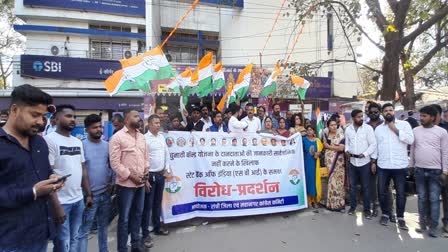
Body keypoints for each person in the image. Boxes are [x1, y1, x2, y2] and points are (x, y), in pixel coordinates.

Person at [0, 84, 65, 252]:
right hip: (10, 241)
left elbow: (45, 173)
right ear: (14, 110)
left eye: (43, 116)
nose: (40, 121)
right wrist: (33, 192)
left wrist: (52, 180)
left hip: (40, 234)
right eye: (35, 115)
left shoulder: (39, 142)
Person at [45, 105, 93, 252]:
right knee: (62, 243)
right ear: (56, 119)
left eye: (73, 116)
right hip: (61, 202)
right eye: (68, 116)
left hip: (78, 200)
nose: (72, 119)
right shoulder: (49, 140)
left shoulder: (77, 141)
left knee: (74, 239)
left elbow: (83, 169)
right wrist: (57, 205)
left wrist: (88, 194)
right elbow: (48, 173)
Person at [109, 110, 149, 252]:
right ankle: (122, 248)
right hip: (126, 185)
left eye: (139, 116)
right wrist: (131, 177)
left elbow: (146, 158)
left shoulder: (142, 137)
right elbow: (115, 163)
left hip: (141, 184)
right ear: (126, 119)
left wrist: (145, 174)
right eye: (136, 116)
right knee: (124, 219)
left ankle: (136, 245)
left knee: (138, 214)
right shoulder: (117, 137)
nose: (139, 118)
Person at [374, 103, 414, 230]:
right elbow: (376, 147)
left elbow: (410, 140)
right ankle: (385, 213)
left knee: (401, 193)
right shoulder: (379, 129)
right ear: (382, 113)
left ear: (394, 111)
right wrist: (373, 162)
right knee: (382, 192)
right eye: (386, 111)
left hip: (400, 165)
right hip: (383, 165)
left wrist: (394, 129)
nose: (388, 112)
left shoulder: (404, 125)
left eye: (390, 110)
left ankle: (401, 217)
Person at [410, 105, 448, 237]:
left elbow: (445, 153)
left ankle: (433, 227)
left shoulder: (441, 132)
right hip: (419, 170)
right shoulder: (415, 130)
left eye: (424, 116)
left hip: (435, 172)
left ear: (432, 117)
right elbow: (413, 150)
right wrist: (411, 166)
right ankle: (422, 224)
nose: (421, 118)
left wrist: (445, 171)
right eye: (420, 116)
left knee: (433, 199)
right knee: (421, 198)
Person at [76, 114, 112, 252]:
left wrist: (111, 183)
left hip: (105, 194)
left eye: (100, 127)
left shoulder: (107, 145)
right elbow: (80, 171)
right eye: (94, 127)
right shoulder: (81, 146)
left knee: (104, 227)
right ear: (86, 129)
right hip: (89, 196)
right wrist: (87, 194)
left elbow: (110, 166)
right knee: (84, 230)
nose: (98, 130)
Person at [142, 115, 171, 249]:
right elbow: (142, 158)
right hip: (150, 176)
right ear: (149, 124)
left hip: (160, 175)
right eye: (155, 123)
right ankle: (145, 234)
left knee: (157, 203)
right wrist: (145, 177)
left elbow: (166, 153)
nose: (158, 125)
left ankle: (157, 227)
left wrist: (167, 169)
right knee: (147, 206)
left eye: (159, 123)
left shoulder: (161, 137)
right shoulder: (144, 139)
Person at [344, 109, 377, 218]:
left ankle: (367, 209)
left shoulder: (368, 129)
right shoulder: (348, 129)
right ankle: (353, 207)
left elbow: (373, 144)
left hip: (365, 162)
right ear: (353, 118)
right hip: (353, 162)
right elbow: (347, 144)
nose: (361, 118)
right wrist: (347, 151)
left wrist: (365, 154)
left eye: (361, 116)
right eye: (358, 117)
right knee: (353, 187)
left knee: (366, 187)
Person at [366, 102, 390, 218]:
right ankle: (375, 206)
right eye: (371, 112)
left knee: (387, 186)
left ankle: (390, 210)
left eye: (376, 112)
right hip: (370, 160)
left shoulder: (385, 125)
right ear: (368, 113)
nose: (373, 114)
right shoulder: (366, 126)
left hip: (385, 159)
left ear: (379, 112)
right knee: (373, 185)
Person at [430, 104, 448, 234]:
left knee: (446, 197)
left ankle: (446, 222)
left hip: (444, 169)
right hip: (430, 168)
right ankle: (431, 223)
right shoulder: (422, 129)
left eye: (432, 114)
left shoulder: (445, 128)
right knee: (431, 197)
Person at [323, 118, 346, 212]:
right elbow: (324, 146)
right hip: (329, 161)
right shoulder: (326, 135)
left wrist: (329, 147)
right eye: (331, 125)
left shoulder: (341, 135)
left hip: (338, 162)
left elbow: (341, 149)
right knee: (331, 182)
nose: (333, 126)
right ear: (328, 127)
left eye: (335, 124)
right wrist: (331, 147)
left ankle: (339, 204)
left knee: (339, 182)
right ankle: (331, 204)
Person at [302, 126, 323, 210]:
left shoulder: (317, 141)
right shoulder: (303, 140)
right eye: (308, 130)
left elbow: (322, 152)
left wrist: (318, 154)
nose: (309, 131)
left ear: (314, 131)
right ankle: (308, 201)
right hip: (307, 163)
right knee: (309, 180)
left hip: (316, 163)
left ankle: (314, 200)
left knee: (315, 181)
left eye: (311, 129)